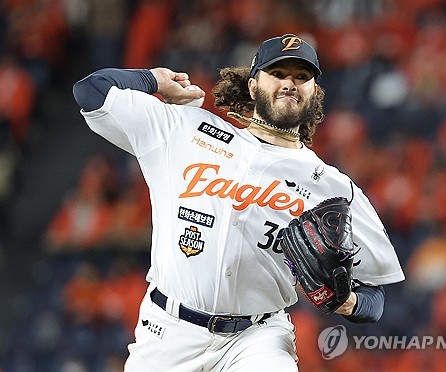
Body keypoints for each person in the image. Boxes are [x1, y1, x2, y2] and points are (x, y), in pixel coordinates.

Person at [73, 34, 405, 371]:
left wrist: (346, 301)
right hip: (167, 332)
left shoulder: (332, 187)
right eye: (278, 73)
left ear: (314, 93)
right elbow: (92, 91)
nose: (290, 83)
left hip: (256, 340)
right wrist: (155, 80)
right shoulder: (185, 130)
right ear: (252, 86)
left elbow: (376, 299)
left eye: (302, 77)